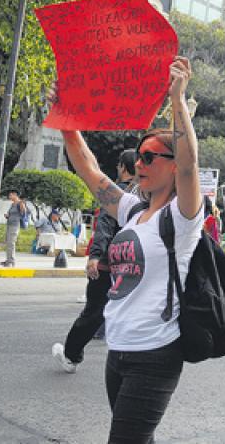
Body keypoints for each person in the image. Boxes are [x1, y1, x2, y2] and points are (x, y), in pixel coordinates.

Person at [58, 56, 202, 441]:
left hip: (155, 353)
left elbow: (190, 166)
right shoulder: (133, 210)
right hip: (119, 350)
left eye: (150, 157)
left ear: (171, 166)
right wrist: (67, 122)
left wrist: (177, 99)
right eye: (139, 155)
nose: (139, 162)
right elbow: (92, 173)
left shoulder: (183, 217)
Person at [52, 149, 137, 372]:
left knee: (94, 311)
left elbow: (105, 226)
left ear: (123, 167)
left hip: (109, 264)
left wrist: (95, 256)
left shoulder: (118, 195)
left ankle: (71, 356)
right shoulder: (148, 195)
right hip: (135, 264)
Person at [1, 190, 27, 266]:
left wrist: (18, 217)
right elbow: (10, 213)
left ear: (15, 195)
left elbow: (23, 214)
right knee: (8, 242)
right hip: (9, 224)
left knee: (11, 243)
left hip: (15, 225)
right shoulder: (12, 204)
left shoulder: (20, 203)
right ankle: (8, 259)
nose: (9, 197)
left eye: (10, 195)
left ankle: (11, 261)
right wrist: (7, 216)